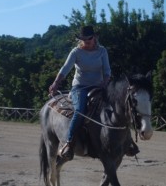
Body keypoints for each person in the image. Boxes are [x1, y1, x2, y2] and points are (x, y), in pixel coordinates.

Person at [49, 25, 139, 160]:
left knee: (118, 108)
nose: (86, 41)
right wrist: (56, 83)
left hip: (99, 87)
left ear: (94, 37)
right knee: (79, 111)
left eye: (89, 38)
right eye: (83, 39)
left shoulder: (102, 51)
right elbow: (65, 68)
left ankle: (128, 142)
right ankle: (69, 143)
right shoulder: (76, 52)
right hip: (80, 87)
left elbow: (107, 71)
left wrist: (104, 84)